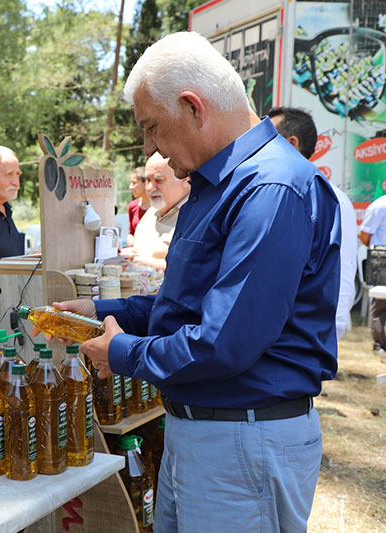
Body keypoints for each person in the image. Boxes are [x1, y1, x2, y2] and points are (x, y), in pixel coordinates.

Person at [44, 32, 340, 532]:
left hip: (243, 437)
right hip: (210, 433)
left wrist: (122, 353)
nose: (149, 148)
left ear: (193, 107)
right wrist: (104, 311)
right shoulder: (220, 184)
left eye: (152, 127)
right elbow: (190, 304)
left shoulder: (268, 188)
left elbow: (223, 342)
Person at [267, 106, 358, 342]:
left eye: (267, 138)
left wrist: (327, 338)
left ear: (292, 143)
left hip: (302, 341)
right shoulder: (272, 194)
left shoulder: (332, 200)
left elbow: (343, 274)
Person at [120, 153, 189, 270]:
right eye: (147, 180)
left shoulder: (196, 216)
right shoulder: (152, 211)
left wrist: (146, 263)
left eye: (158, 180)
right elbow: (142, 249)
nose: (149, 188)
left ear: (185, 180)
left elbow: (191, 270)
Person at [359, 178, 386, 357]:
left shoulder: (378, 206)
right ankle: (380, 345)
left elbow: (364, 236)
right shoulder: (379, 206)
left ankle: (380, 345)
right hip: (381, 255)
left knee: (378, 305)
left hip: (380, 254)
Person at [125, 166, 149, 242]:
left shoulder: (159, 207)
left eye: (134, 183)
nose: (130, 187)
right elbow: (131, 234)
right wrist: (132, 242)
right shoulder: (132, 206)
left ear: (145, 183)